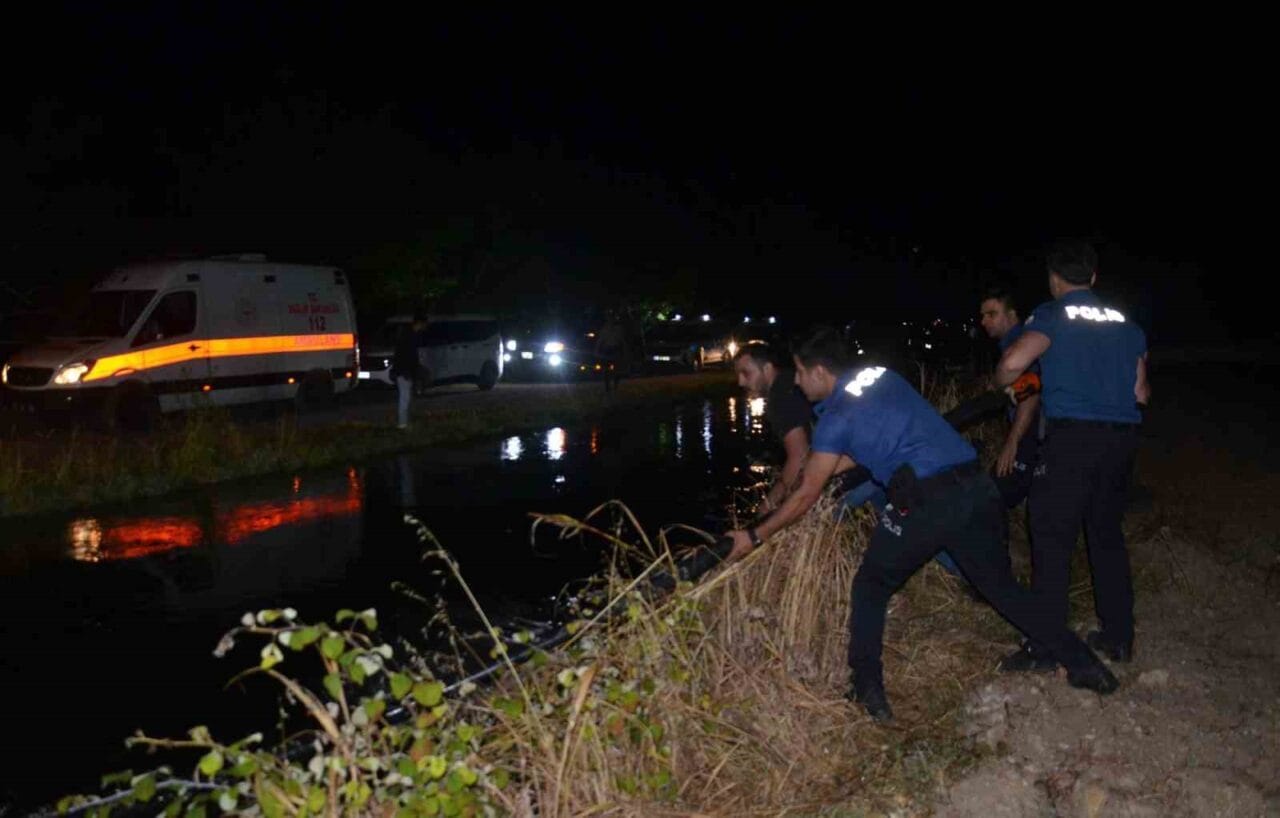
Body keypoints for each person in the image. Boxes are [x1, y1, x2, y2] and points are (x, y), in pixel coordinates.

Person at [723, 325, 1119, 721]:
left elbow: (807, 493)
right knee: (1000, 588)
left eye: (800, 372)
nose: (798, 382)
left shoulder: (834, 418)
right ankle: (1085, 665)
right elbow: (867, 445)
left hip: (929, 500)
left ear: (821, 372)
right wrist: (823, 467)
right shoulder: (883, 377)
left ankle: (867, 691)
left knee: (870, 586)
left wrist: (755, 534)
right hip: (976, 486)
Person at [994, 240, 1149, 672]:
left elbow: (1012, 363)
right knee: (1105, 535)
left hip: (1072, 440)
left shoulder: (1052, 314)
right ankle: (1118, 638)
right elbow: (1141, 392)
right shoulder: (1127, 324)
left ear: (1054, 279)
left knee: (1051, 535)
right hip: (1120, 442)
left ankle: (1045, 647)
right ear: (1094, 277)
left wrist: (1000, 379)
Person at [979, 286, 1043, 508]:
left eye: (992, 314)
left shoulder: (1019, 345)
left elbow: (1031, 393)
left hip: (1032, 431)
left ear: (1012, 315)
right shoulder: (1018, 341)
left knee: (992, 498)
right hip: (1034, 431)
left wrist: (1012, 443)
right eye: (983, 316)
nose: (984, 321)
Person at [732, 343, 813, 513]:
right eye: (738, 374)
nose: (740, 382)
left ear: (767, 369)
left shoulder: (779, 399)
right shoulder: (789, 382)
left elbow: (800, 457)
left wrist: (767, 508)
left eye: (746, 373)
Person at [391, 314, 425, 429]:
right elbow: (407, 357)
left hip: (405, 372)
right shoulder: (409, 337)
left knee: (406, 397)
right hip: (404, 372)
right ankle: (402, 424)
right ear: (420, 323)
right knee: (405, 398)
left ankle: (405, 422)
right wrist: (407, 372)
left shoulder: (407, 336)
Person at [595, 310, 627, 393]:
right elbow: (600, 340)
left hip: (616, 349)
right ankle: (607, 387)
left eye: (611, 318)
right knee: (606, 370)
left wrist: (624, 349)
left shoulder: (618, 329)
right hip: (607, 350)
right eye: (609, 318)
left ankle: (615, 386)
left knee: (617, 369)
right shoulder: (605, 329)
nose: (610, 320)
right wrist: (597, 350)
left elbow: (622, 340)